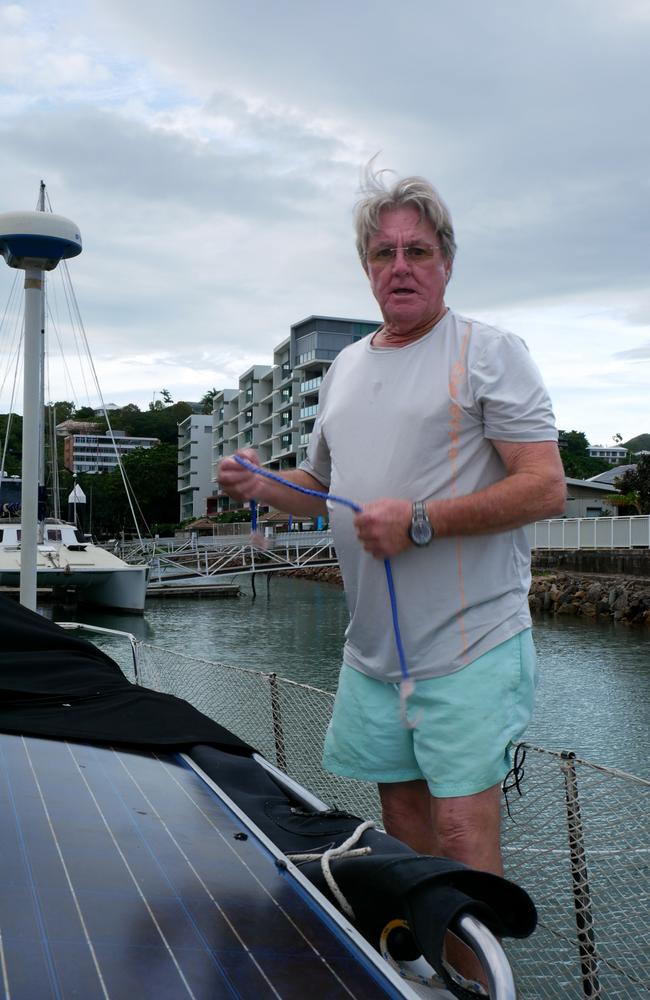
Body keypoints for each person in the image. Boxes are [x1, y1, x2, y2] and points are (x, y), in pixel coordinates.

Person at [218, 168, 566, 978]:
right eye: (383, 253)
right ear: (366, 269)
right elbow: (316, 490)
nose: (399, 266)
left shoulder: (489, 352)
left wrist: (418, 521)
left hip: (473, 641)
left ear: (446, 261)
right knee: (401, 827)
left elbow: (544, 484)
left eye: (416, 250)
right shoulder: (344, 368)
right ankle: (423, 980)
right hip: (373, 652)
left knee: (459, 841)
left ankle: (481, 984)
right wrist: (258, 483)